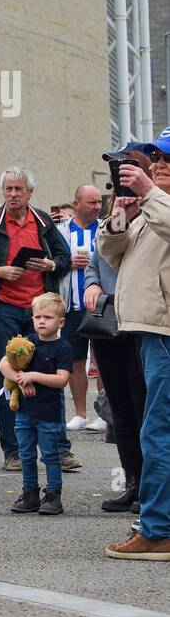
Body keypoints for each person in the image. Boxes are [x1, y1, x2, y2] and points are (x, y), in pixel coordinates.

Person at [0, 166, 74, 472]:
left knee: (48, 374)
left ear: (30, 192)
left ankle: (59, 448)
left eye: (19, 189)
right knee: (9, 377)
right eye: (8, 189)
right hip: (3, 307)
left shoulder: (43, 221)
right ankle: (14, 451)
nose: (13, 195)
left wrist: (49, 264)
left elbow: (65, 259)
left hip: (39, 308)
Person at [102, 133, 170, 560]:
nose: (157, 162)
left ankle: (158, 529)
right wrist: (118, 219)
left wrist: (150, 193)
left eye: (165, 157)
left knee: (158, 432)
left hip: (164, 332)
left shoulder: (159, 202)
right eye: (155, 156)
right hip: (148, 330)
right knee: (156, 428)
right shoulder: (154, 205)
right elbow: (115, 258)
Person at [84, 236, 145, 512]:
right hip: (107, 320)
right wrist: (92, 283)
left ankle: (151, 487)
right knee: (119, 408)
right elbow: (93, 264)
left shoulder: (153, 218)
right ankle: (132, 483)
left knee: (142, 406)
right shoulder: (111, 224)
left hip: (140, 322)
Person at [0, 292, 72, 515]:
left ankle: (53, 496)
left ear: (61, 322)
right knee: (26, 454)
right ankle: (30, 493)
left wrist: (34, 376)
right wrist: (20, 379)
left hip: (48, 414)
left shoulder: (63, 347)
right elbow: (3, 363)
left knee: (50, 456)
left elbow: (62, 379)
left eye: (47, 317)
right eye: (37, 316)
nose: (41, 321)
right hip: (24, 411)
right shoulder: (28, 342)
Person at [61, 184, 104, 433]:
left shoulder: (107, 228)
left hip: (100, 304)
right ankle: (80, 413)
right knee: (75, 360)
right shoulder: (61, 231)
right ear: (76, 203)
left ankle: (104, 412)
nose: (98, 207)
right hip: (71, 304)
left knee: (102, 360)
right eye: (92, 202)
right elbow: (52, 260)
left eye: (99, 202)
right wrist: (68, 262)